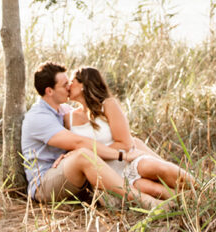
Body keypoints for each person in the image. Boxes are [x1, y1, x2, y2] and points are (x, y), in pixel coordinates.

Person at [21, 61, 160, 209]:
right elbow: (78, 143)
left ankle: (176, 182)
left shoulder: (64, 110)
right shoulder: (38, 117)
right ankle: (145, 201)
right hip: (45, 183)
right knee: (83, 155)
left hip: (68, 171)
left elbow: (84, 139)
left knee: (134, 142)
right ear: (49, 91)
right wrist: (122, 155)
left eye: (69, 82)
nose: (69, 87)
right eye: (64, 85)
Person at [66, 66, 195, 200]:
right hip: (109, 173)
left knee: (156, 168)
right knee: (152, 189)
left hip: (128, 159)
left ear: (83, 85)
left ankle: (202, 187)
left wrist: (94, 153)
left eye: (71, 81)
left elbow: (125, 143)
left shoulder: (108, 105)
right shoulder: (68, 118)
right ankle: (192, 200)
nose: (68, 86)